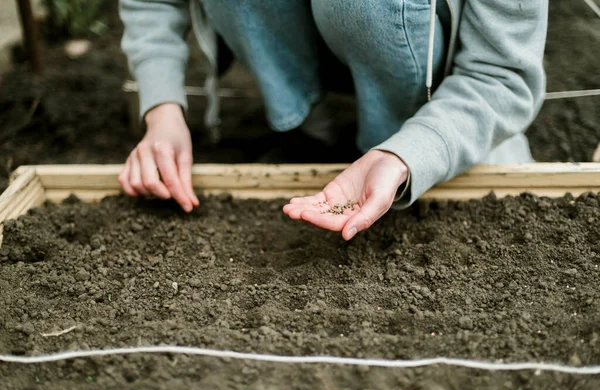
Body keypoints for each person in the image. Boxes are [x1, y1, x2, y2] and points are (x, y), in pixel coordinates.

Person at [118, 0, 548, 240]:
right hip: (303, 119)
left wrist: (409, 153)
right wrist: (163, 110)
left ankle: (392, 142)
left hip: (442, 116)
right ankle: (312, 130)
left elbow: (502, 74)